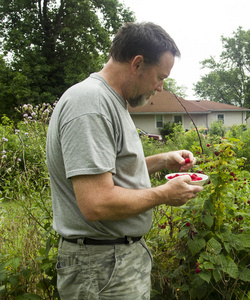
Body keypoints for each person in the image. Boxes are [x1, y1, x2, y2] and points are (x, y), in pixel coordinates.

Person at [46, 22, 203, 299]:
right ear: (137, 63)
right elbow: (96, 202)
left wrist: (162, 161)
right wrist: (164, 194)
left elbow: (110, 172)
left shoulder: (110, 101)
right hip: (101, 267)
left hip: (110, 261)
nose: (160, 87)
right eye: (159, 76)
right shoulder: (91, 104)